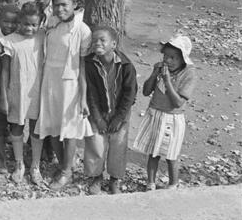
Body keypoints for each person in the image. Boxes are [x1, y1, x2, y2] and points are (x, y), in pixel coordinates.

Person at [35, 0, 93, 189]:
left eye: (64, 5)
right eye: (56, 4)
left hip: (70, 85)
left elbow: (83, 66)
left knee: (69, 129)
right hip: (50, 80)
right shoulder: (51, 22)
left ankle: (67, 171)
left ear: (75, 5)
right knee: (52, 125)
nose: (59, 9)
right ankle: (63, 164)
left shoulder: (82, 30)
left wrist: (84, 98)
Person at [133, 35, 197, 191]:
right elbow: (146, 91)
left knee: (171, 154)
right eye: (165, 56)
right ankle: (151, 183)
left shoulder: (189, 74)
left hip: (172, 118)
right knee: (153, 152)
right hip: (155, 114)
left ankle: (173, 184)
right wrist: (154, 74)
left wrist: (167, 81)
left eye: (173, 57)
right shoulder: (161, 70)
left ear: (183, 59)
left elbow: (178, 102)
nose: (167, 60)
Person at [83, 26, 138, 195]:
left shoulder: (126, 65)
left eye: (102, 40)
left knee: (118, 146)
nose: (97, 43)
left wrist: (119, 117)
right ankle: (96, 177)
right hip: (97, 111)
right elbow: (90, 92)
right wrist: (97, 117)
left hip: (120, 113)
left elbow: (130, 93)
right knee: (96, 144)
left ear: (113, 44)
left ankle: (115, 179)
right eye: (94, 40)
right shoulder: (90, 64)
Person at [0, 2, 46, 184]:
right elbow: (5, 70)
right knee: (17, 126)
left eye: (34, 24)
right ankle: (19, 164)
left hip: (37, 90)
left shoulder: (42, 37)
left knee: (36, 128)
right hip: (17, 90)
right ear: (19, 21)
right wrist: (4, 96)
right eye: (26, 24)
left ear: (40, 23)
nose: (29, 28)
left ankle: (35, 165)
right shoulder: (10, 40)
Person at [0, 4, 20, 173]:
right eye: (6, 21)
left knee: (16, 125)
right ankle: (1, 158)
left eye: (14, 22)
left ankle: (17, 158)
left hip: (17, 90)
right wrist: (0, 94)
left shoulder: (19, 39)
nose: (9, 25)